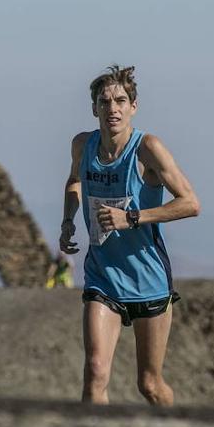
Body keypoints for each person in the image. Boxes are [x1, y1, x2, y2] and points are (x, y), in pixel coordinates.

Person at [59, 65, 200, 405]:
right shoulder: (83, 145)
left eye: (121, 101)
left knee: (149, 385)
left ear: (133, 106)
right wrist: (68, 222)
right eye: (105, 102)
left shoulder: (147, 148)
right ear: (94, 108)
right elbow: (75, 180)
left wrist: (132, 218)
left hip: (147, 277)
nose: (113, 109)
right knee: (95, 371)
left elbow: (190, 203)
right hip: (102, 276)